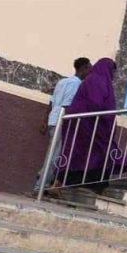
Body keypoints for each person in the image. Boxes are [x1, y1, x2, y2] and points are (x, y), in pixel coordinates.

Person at [56, 58, 127, 194]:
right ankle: (70, 186)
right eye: (112, 71)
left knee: (81, 154)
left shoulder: (93, 80)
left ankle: (63, 185)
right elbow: (96, 103)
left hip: (87, 124)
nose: (113, 74)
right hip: (89, 125)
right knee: (94, 154)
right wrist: (106, 119)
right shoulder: (97, 80)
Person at [35, 57, 92, 192]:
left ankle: (43, 181)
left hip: (53, 119)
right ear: (83, 68)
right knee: (54, 155)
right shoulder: (77, 84)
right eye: (89, 68)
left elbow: (51, 101)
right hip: (62, 120)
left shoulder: (62, 81)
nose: (90, 72)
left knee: (53, 153)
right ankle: (40, 185)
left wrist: (45, 120)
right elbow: (68, 104)